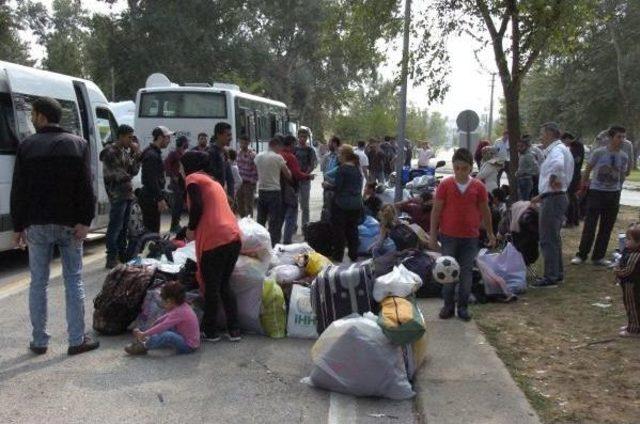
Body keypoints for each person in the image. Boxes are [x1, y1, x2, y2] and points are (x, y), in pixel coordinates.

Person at [10, 96, 99, 355]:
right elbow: (86, 186)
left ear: (42, 116)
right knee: (73, 280)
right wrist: (85, 220)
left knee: (38, 282)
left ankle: (39, 341)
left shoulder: (26, 147)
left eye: (33, 114)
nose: (31, 119)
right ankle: (76, 339)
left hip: (37, 224)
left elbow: (19, 190)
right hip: (70, 225)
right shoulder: (77, 144)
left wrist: (18, 226)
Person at [180, 151, 243, 342]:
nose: (180, 170)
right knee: (224, 284)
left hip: (215, 239)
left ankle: (210, 331)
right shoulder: (212, 181)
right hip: (233, 236)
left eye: (182, 165)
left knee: (212, 287)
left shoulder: (193, 178)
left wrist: (190, 229)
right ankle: (234, 330)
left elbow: (197, 206)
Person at [429, 148, 495, 321]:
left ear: (471, 168)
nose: (460, 172)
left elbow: (485, 211)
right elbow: (436, 211)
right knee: (448, 272)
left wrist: (490, 232)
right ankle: (448, 306)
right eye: (457, 168)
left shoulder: (478, 187)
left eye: (464, 168)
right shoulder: (445, 185)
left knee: (465, 274)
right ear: (453, 166)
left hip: (470, 238)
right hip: (448, 236)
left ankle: (463, 307)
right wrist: (433, 235)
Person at [571, 126, 628, 267]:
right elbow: (588, 169)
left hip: (613, 194)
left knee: (607, 226)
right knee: (590, 225)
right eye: (619, 137)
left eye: (623, 137)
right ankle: (582, 255)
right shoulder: (599, 153)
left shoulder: (624, 156)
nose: (621, 140)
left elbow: (622, 174)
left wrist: (619, 187)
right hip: (597, 192)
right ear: (611, 137)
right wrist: (583, 186)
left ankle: (599, 257)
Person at [531, 122, 574, 287]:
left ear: (549, 134)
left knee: (547, 239)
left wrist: (553, 180)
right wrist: (542, 194)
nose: (541, 137)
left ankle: (550, 276)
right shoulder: (562, 149)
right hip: (554, 196)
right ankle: (557, 273)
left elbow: (557, 165)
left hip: (554, 198)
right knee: (554, 238)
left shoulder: (556, 150)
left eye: (542, 134)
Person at [100, 124, 140, 268]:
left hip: (127, 193)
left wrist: (136, 155)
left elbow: (133, 170)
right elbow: (120, 175)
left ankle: (122, 255)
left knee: (123, 227)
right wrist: (129, 171)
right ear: (121, 136)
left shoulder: (124, 152)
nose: (131, 141)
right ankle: (111, 256)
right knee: (115, 227)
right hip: (117, 194)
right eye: (129, 138)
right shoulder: (110, 152)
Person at [125, 281, 200, 355]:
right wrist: (152, 327)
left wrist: (144, 333)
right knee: (163, 328)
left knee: (168, 335)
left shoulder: (180, 311)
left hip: (189, 346)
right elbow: (165, 318)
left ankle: (145, 346)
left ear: (170, 301)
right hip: (183, 336)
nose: (163, 304)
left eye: (164, 301)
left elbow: (163, 325)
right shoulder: (181, 306)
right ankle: (149, 340)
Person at [325, 145, 363, 262]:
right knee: (353, 230)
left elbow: (338, 188)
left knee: (339, 231)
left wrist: (327, 185)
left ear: (345, 155)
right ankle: (353, 254)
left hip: (341, 204)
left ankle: (338, 255)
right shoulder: (357, 169)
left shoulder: (342, 169)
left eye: (340, 154)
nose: (338, 156)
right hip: (356, 204)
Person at [254, 137, 292, 245]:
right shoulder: (278, 157)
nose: (281, 150)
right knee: (275, 222)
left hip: (261, 191)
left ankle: (259, 244)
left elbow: (255, 170)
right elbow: (288, 175)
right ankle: (273, 245)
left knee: (261, 219)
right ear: (276, 145)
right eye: (280, 147)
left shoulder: (258, 156)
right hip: (274, 192)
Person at [281, 135, 314, 244]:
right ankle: (287, 239)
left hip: (280, 188)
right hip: (292, 186)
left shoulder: (278, 154)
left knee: (282, 213)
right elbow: (296, 173)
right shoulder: (290, 156)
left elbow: (312, 163)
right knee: (291, 213)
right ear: (291, 144)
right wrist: (308, 176)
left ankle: (303, 228)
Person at [140, 126, 172, 233]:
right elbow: (152, 180)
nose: (169, 140)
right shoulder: (152, 155)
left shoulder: (153, 153)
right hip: (150, 197)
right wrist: (159, 199)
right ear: (160, 137)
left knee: (153, 228)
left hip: (151, 196)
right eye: (167, 137)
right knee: (151, 229)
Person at [613, 224, 640, 338]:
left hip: (632, 285)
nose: (626, 242)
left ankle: (633, 329)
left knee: (632, 306)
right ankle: (633, 324)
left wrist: (617, 272)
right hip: (631, 283)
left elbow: (629, 271)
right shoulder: (629, 251)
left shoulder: (635, 255)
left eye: (629, 239)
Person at [294, 128, 318, 229]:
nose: (302, 139)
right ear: (298, 137)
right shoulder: (294, 149)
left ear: (307, 138)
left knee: (305, 205)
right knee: (294, 204)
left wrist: (305, 174)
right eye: (301, 136)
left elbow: (313, 164)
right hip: (294, 180)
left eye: (305, 137)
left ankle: (305, 226)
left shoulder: (310, 150)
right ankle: (293, 226)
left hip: (305, 180)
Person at [164, 135, 189, 233]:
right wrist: (173, 175)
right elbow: (166, 165)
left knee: (180, 204)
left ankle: (176, 223)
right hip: (176, 183)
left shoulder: (183, 154)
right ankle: (174, 225)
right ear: (183, 144)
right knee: (177, 205)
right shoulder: (173, 154)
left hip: (182, 183)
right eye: (185, 143)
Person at [562, 132, 585, 227]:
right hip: (574, 174)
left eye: (564, 141)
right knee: (573, 198)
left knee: (570, 198)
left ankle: (570, 221)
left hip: (574, 175)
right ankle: (575, 220)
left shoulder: (577, 145)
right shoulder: (574, 146)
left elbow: (576, 160)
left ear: (568, 138)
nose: (564, 144)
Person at [207, 122, 233, 195]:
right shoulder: (211, 153)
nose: (231, 138)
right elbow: (211, 178)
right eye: (228, 135)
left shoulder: (224, 152)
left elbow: (230, 178)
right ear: (219, 135)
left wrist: (231, 196)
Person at [236, 135, 258, 218]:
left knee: (248, 206)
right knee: (240, 205)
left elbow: (255, 170)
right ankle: (243, 221)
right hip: (239, 184)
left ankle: (249, 224)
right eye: (241, 142)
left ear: (248, 143)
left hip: (248, 183)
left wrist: (252, 183)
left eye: (245, 142)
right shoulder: (237, 153)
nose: (243, 144)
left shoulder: (252, 154)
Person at [320, 136, 341, 221]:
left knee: (335, 208)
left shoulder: (340, 156)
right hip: (327, 185)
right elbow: (323, 169)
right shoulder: (327, 156)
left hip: (336, 185)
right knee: (326, 206)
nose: (328, 144)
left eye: (330, 142)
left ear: (335, 144)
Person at [515, 136, 538, 201]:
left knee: (525, 201)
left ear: (526, 146)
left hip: (526, 180)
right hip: (521, 179)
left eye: (521, 146)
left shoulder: (529, 155)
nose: (519, 148)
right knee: (521, 200)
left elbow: (536, 170)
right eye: (518, 146)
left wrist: (523, 172)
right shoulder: (522, 154)